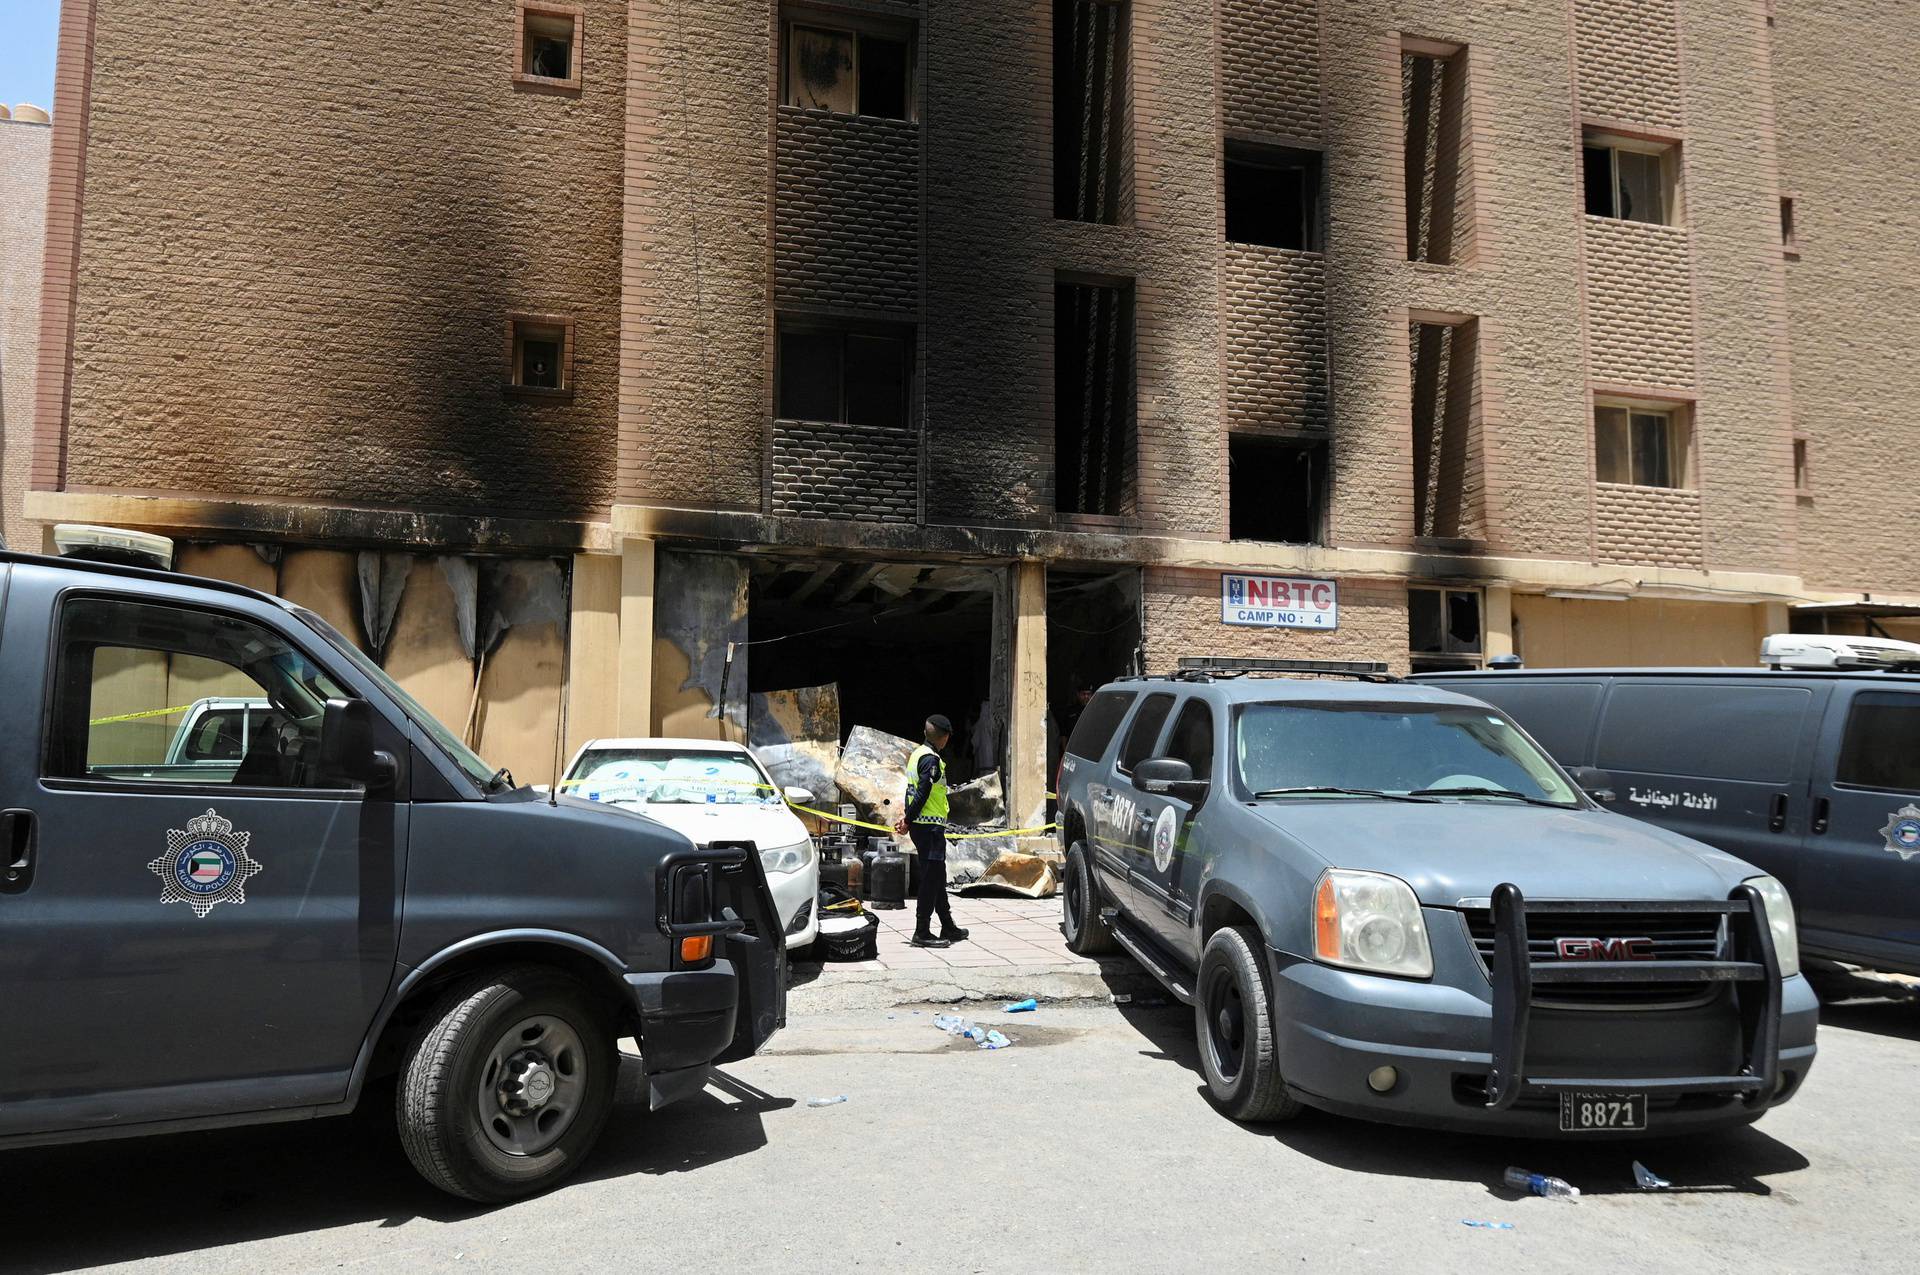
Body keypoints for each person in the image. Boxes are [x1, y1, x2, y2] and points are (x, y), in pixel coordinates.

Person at [893, 714, 969, 949]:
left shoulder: (917, 754)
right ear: (944, 737)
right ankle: (922, 931)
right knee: (930, 879)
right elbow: (923, 792)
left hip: (925, 826)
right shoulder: (930, 760)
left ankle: (947, 925)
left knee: (936, 876)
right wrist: (908, 819)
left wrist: (909, 819)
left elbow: (913, 791)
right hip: (929, 827)